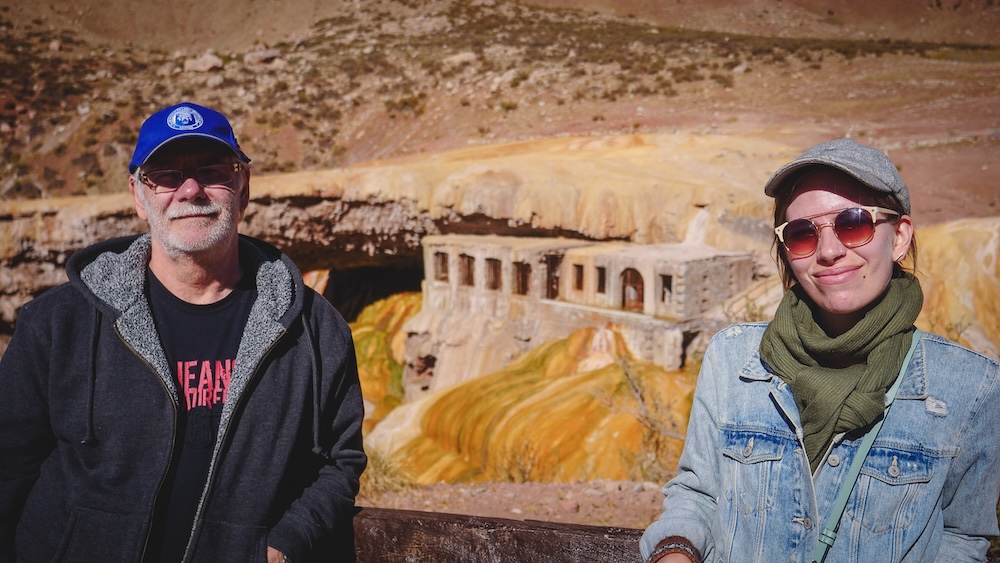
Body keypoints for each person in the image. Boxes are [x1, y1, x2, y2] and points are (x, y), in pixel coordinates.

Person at [0, 102, 367, 562]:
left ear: (242, 187)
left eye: (212, 171)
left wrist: (284, 545)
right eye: (167, 176)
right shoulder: (57, 325)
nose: (190, 190)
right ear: (138, 195)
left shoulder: (314, 328)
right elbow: (8, 469)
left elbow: (341, 461)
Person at [641, 138, 1000, 562]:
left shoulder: (971, 389)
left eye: (853, 224)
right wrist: (676, 550)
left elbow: (963, 537)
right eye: (802, 233)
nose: (829, 251)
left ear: (899, 236)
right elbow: (697, 494)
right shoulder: (732, 359)